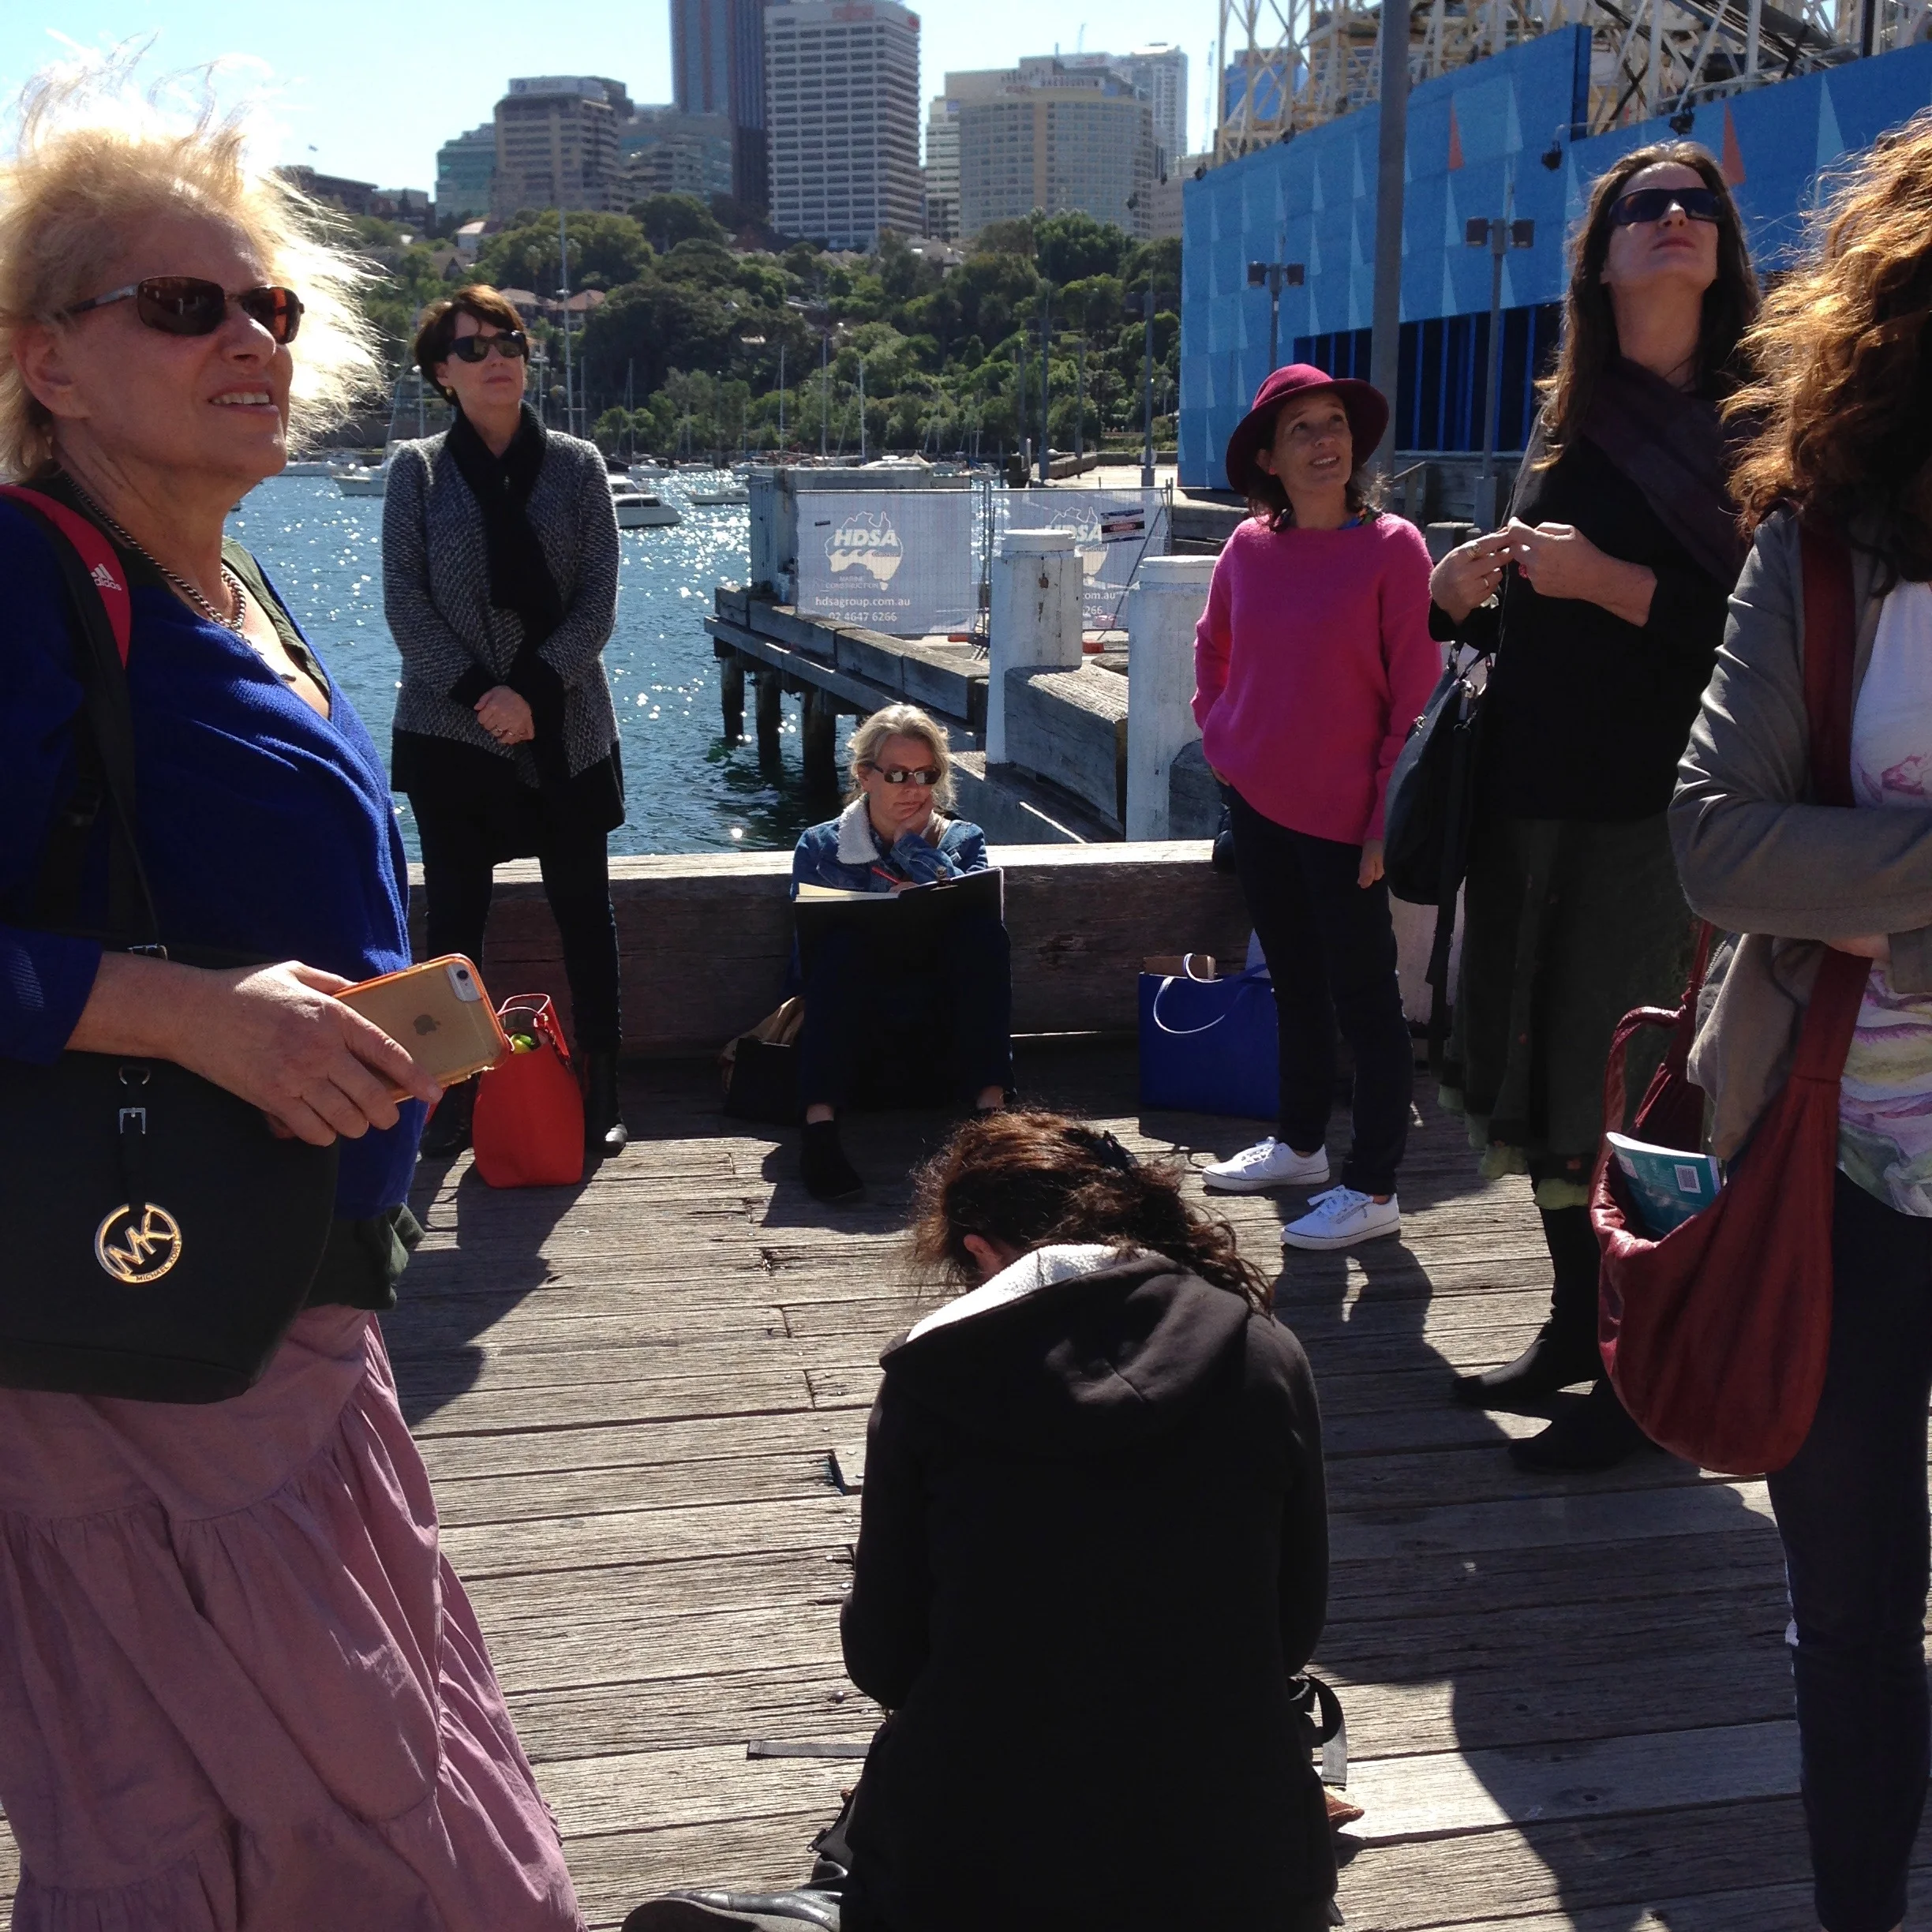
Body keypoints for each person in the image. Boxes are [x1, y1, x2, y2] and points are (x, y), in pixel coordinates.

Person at [0, 70, 582, 1929]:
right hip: (134, 1341)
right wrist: (190, 1015)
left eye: (267, 303)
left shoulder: (221, 578)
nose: (250, 336)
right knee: (330, 1833)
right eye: (185, 305)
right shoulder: (22, 578)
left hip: (282, 1309)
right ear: (47, 361)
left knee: (353, 1799)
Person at [626, 1110, 1335, 1932]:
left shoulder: (934, 1377)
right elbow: (1292, 1630)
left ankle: (835, 1907)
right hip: (1243, 1868)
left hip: (977, 1867)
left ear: (979, 1248)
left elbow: (887, 1661)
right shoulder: (1264, 1350)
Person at [1674, 112, 1932, 1932]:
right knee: (1848, 1612)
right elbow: (1715, 839)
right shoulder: (1826, 557)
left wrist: (1874, 883)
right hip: (1829, 1166)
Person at [1430, 143, 1758, 1470]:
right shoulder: (1570, 414)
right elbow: (1535, 605)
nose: (1674, 219)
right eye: (1644, 207)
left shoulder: (1756, 422)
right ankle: (1578, 1324)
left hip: (1657, 807)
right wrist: (1463, 593)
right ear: (1602, 256)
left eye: (1696, 206)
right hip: (1531, 791)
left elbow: (1764, 634)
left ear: (1722, 248)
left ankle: (1641, 1376)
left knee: (1634, 1089)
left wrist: (1604, 582)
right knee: (1543, 1069)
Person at [1193, 363, 1440, 1252]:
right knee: (1293, 984)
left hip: (1348, 823)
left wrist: (1382, 823)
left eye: (1333, 421)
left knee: (1368, 1004)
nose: (1324, 440)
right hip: (1259, 805)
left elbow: (1416, 697)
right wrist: (1221, 740)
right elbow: (1212, 649)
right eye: (1300, 428)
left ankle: (1372, 1187)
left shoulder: (1395, 549)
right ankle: (1300, 1146)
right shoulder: (1247, 547)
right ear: (1270, 458)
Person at [384, 284, 628, 1159]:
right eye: (474, 347)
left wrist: (529, 692)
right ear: (441, 374)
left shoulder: (577, 465)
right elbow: (407, 606)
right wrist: (484, 699)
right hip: (452, 730)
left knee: (585, 915)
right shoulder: (416, 472)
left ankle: (602, 1087)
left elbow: (597, 602)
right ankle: (453, 1095)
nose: (497, 358)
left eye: (510, 342)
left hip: (568, 725)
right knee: (455, 923)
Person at [788, 703, 1011, 1202]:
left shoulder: (964, 841)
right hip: (856, 1042)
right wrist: (878, 907)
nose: (914, 788)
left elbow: (985, 965)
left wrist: (918, 856)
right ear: (864, 775)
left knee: (982, 935)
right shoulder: (820, 847)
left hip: (942, 1039)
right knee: (837, 947)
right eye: (897, 774)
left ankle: (991, 1118)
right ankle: (819, 1133)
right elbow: (804, 968)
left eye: (926, 774)